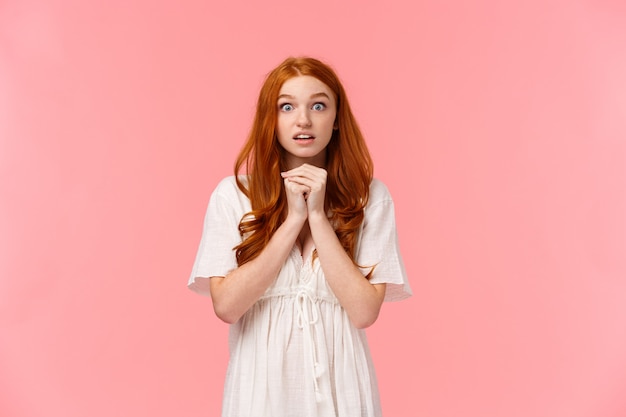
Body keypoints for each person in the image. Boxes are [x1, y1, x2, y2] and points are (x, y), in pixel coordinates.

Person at [188, 56, 412, 417]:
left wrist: (319, 218)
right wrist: (293, 220)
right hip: (259, 393)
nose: (303, 119)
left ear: (337, 118)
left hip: (343, 391)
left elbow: (364, 311)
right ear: (270, 119)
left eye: (318, 105)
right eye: (287, 106)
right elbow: (226, 306)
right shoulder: (232, 195)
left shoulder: (370, 197)